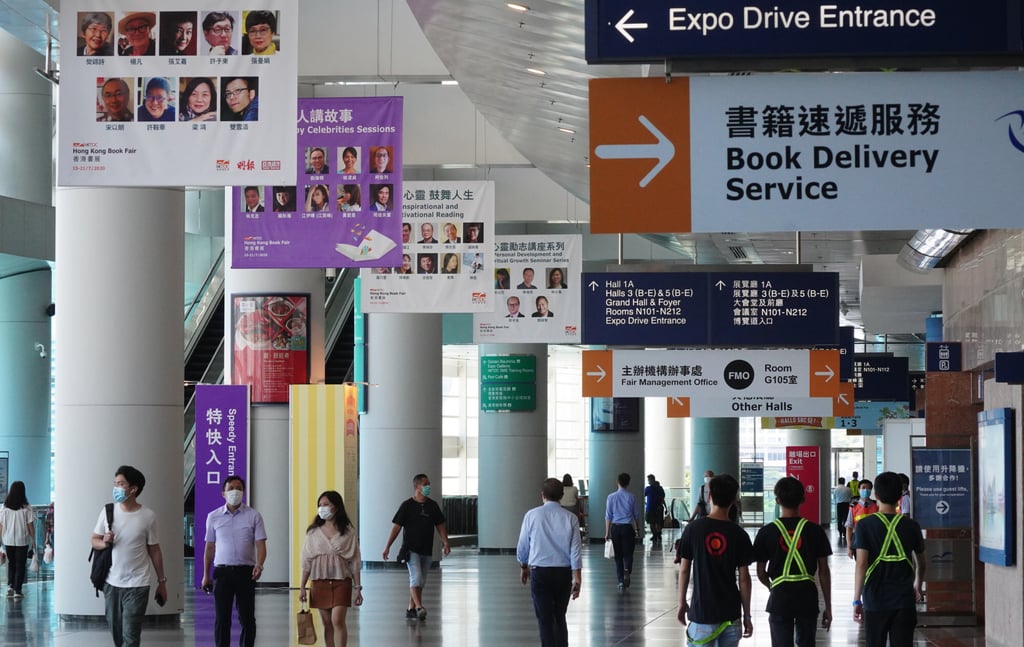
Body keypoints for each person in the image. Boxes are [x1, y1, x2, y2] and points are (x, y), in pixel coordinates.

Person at [91, 465, 168, 647]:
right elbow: (94, 540)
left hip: (138, 584)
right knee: (117, 634)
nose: (116, 487)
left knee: (131, 635)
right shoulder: (108, 511)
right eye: (115, 483)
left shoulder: (148, 516)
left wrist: (162, 582)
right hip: (111, 583)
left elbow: (154, 549)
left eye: (121, 484)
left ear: (133, 489)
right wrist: (105, 542)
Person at [753, 477, 833, 647]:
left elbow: (760, 572)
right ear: (803, 499)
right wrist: (828, 606)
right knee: (806, 642)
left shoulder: (766, 532)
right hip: (807, 596)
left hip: (780, 598)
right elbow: (824, 571)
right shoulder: (815, 531)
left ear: (776, 500)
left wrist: (772, 586)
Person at [676, 474, 754, 646]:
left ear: (709, 496)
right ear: (734, 500)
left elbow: (684, 570)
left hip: (702, 613)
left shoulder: (693, 529)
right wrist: (747, 615)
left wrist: (681, 602)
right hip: (731, 615)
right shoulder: (739, 534)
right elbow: (744, 579)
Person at [852, 471, 926, 647]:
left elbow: (861, 564)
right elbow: (921, 563)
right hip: (904, 599)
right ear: (900, 495)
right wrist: (918, 585)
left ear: (875, 495)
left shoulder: (864, 525)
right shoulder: (911, 525)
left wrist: (857, 599)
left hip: (874, 599)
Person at [201, 476, 267, 647]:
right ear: (223, 493)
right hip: (222, 573)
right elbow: (209, 548)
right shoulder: (213, 517)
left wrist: (259, 565)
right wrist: (205, 575)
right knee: (222, 618)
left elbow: (261, 545)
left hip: (246, 572)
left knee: (247, 618)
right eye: (231, 488)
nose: (235, 491)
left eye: (238, 488)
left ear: (243, 492)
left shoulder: (254, 516)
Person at [516, 477, 582, 647]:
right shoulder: (571, 518)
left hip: (540, 572)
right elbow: (575, 550)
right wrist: (577, 577)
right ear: (561, 495)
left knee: (545, 619)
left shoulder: (531, 515)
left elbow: (523, 545)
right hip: (563, 573)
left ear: (542, 495)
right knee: (560, 616)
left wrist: (524, 566)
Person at [382, 474, 451, 621]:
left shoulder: (432, 506)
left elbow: (440, 525)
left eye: (428, 483)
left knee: (420, 581)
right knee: (416, 578)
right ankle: (420, 607)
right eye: (425, 484)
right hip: (410, 549)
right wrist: (387, 546)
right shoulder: (407, 506)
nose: (428, 487)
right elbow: (396, 527)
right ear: (417, 487)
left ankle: (410, 608)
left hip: (426, 549)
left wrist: (445, 542)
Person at [300, 491, 363, 647]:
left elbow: (354, 560)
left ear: (336, 507)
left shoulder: (348, 532)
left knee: (337, 620)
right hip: (319, 581)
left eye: (326, 504)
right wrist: (302, 587)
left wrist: (358, 587)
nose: (322, 508)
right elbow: (306, 560)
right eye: (320, 505)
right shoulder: (313, 532)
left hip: (342, 581)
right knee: (327, 624)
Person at [605, 472, 641, 591]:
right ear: (628, 483)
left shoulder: (611, 497)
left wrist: (607, 532)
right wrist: (637, 529)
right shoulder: (632, 497)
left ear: (617, 482)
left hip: (615, 527)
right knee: (628, 553)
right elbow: (636, 515)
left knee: (618, 556)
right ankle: (627, 569)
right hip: (627, 528)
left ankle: (620, 581)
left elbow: (608, 516)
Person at [0, 481, 36, 598]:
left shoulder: (4, 508)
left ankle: (10, 586)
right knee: (20, 565)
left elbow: (1, 525)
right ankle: (18, 590)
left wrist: (0, 539)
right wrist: (33, 540)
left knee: (11, 564)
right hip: (22, 540)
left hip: (8, 539)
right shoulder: (27, 508)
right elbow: (30, 525)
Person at [845, 478, 878, 558]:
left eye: (868, 488)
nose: (866, 490)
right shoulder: (853, 507)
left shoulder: (876, 506)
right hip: (858, 540)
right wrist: (849, 546)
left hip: (874, 540)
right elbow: (849, 527)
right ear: (859, 490)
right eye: (863, 488)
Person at [645, 474, 667, 546]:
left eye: (649, 480)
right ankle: (658, 534)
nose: (648, 481)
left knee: (652, 523)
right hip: (659, 508)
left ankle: (655, 535)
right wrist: (665, 507)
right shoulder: (660, 488)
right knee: (658, 522)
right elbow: (663, 498)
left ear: (651, 480)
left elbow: (643, 494)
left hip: (651, 508)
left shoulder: (648, 489)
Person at [833, 477, 852, 545]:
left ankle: (840, 531)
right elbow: (850, 497)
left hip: (839, 505)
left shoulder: (836, 489)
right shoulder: (848, 489)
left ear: (838, 482)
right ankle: (844, 532)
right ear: (844, 482)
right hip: (846, 504)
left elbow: (834, 498)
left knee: (839, 518)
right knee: (845, 518)